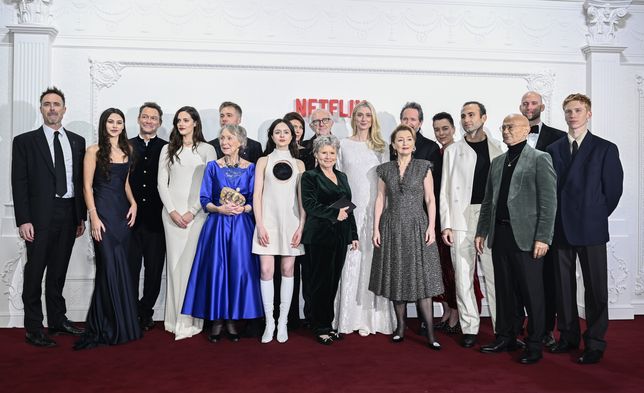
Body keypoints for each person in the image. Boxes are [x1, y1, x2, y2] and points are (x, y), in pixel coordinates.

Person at [547, 93, 623, 365]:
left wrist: (594, 214)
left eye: (578, 110)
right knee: (563, 287)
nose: (572, 115)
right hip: (560, 228)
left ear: (588, 113)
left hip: (591, 228)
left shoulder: (605, 148)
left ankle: (594, 342)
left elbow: (613, 191)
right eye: (568, 111)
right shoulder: (554, 150)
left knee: (595, 289)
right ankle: (567, 337)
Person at [475, 113, 557, 365]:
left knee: (533, 294)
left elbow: (549, 202)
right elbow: (489, 200)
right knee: (504, 291)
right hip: (500, 236)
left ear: (525, 130)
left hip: (528, 238)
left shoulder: (540, 159)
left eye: (511, 127)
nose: (506, 130)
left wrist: (543, 237)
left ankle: (534, 343)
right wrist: (481, 231)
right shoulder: (498, 162)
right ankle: (506, 336)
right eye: (503, 127)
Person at [11, 87, 86, 347]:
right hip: (39, 217)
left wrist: (81, 217)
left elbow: (79, 181)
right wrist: (24, 219)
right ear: (41, 109)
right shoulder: (24, 142)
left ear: (64, 109)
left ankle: (57, 320)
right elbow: (18, 183)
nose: (52, 108)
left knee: (58, 271)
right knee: (35, 272)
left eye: (56, 104)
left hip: (68, 214)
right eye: (47, 104)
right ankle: (33, 327)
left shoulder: (77, 141)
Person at [182, 124, 263, 342]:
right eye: (222, 138)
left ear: (240, 142)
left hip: (241, 227)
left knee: (238, 271)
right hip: (217, 226)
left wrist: (243, 208)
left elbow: (256, 200)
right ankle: (218, 319)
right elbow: (205, 199)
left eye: (229, 138)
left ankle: (233, 319)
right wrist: (220, 208)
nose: (224, 142)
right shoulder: (212, 167)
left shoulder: (252, 168)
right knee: (218, 271)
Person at [370, 124, 444, 350]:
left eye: (408, 139)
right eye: (399, 139)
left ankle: (430, 333)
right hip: (391, 226)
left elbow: (431, 199)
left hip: (418, 226)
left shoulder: (423, 167)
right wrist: (376, 229)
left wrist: (431, 226)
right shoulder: (384, 169)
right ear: (393, 145)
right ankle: (400, 327)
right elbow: (380, 200)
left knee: (423, 278)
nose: (404, 143)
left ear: (413, 144)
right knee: (396, 274)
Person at [74, 108, 141, 350]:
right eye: (110, 121)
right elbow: (86, 187)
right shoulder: (93, 151)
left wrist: (133, 203)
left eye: (119, 122)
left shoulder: (128, 150)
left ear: (124, 126)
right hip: (102, 213)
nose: (115, 125)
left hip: (122, 214)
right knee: (108, 266)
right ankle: (105, 324)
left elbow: (125, 184)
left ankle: (122, 324)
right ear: (104, 125)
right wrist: (93, 216)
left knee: (121, 265)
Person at [440, 101, 503, 348]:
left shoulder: (499, 148)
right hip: (460, 217)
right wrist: (446, 224)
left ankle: (502, 327)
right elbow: (445, 189)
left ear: (484, 117)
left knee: (494, 275)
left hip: (489, 218)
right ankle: (470, 326)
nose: (467, 119)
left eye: (471, 115)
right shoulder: (453, 151)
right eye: (463, 115)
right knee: (463, 275)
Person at [333, 101, 395, 336]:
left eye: (368, 115)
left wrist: (382, 216)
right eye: (359, 114)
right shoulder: (344, 145)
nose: (363, 118)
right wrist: (344, 213)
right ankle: (349, 319)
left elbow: (386, 185)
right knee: (351, 262)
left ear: (373, 119)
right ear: (353, 118)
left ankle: (374, 319)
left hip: (375, 213)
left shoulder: (381, 147)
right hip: (351, 213)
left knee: (372, 262)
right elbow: (338, 183)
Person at [158, 106, 216, 340]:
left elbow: (211, 184)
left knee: (193, 267)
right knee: (173, 266)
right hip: (171, 216)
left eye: (186, 120)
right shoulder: (167, 149)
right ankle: (173, 320)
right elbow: (162, 183)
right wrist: (172, 211)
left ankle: (191, 320)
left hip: (198, 215)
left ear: (195, 123)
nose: (181, 124)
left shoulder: (207, 149)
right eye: (178, 120)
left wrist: (192, 212)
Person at [300, 135, 358, 345]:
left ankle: (328, 324)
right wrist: (334, 214)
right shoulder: (309, 176)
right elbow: (309, 205)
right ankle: (320, 327)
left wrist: (354, 235)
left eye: (331, 153)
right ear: (316, 154)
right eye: (323, 152)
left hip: (340, 236)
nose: (328, 156)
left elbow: (348, 206)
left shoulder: (342, 176)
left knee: (333, 282)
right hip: (318, 236)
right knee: (320, 284)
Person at [519, 91, 566, 347]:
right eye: (525, 103)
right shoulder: (511, 135)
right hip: (518, 221)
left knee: (547, 279)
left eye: (533, 103)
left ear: (542, 106)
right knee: (521, 279)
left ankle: (546, 329)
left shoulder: (558, 139)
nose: (529, 106)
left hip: (547, 220)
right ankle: (521, 326)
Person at [253, 119, 306, 343]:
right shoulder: (263, 161)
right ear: (272, 136)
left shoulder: (300, 164)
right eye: (278, 132)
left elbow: (302, 200)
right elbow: (257, 195)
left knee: (287, 270)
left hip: (292, 223)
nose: (282, 135)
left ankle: (283, 322)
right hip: (267, 222)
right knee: (266, 271)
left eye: (286, 132)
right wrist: (260, 224)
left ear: (293, 136)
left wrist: (301, 226)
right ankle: (270, 322)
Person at [128, 102, 168, 331]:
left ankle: (146, 312)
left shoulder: (166, 148)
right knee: (131, 270)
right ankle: (131, 311)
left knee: (154, 271)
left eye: (153, 118)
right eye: (145, 117)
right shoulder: (127, 145)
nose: (149, 121)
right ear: (139, 119)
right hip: (130, 221)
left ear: (159, 123)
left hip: (157, 221)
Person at [430, 112, 462, 334]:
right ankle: (447, 311)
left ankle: (458, 313)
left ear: (453, 128)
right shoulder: (436, 152)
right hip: (438, 218)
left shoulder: (460, 152)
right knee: (441, 268)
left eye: (445, 128)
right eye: (437, 129)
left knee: (454, 269)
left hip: (454, 219)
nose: (441, 133)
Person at [281, 111, 311, 329]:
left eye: (299, 127)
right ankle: (280, 315)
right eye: (291, 127)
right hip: (279, 219)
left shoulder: (309, 155)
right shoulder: (271, 155)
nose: (295, 130)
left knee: (300, 269)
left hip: (303, 218)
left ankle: (296, 317)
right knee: (281, 269)